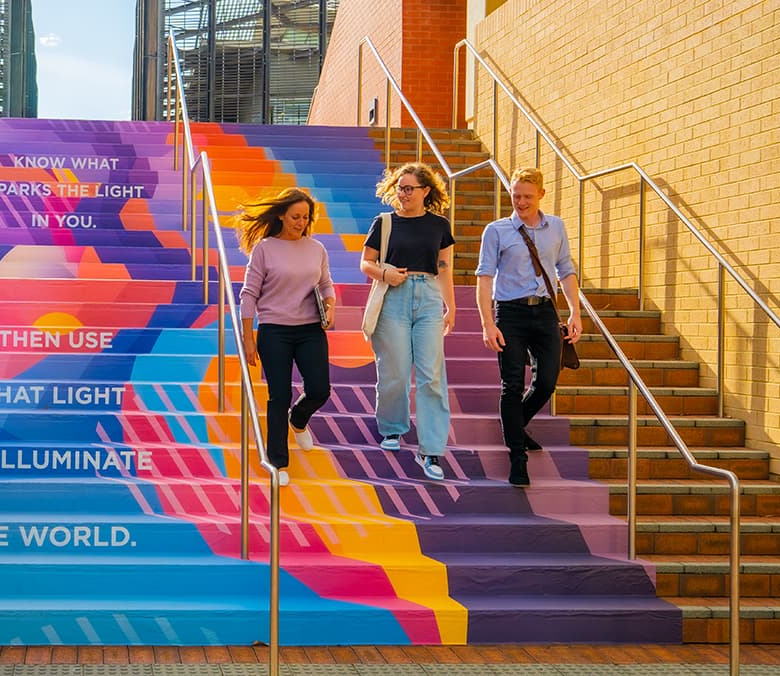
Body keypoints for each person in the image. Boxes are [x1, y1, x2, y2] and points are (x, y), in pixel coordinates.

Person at [474, 167, 582, 487]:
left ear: (542, 195)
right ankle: (517, 458)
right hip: (510, 314)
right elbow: (484, 277)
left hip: (546, 312)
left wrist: (575, 311)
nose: (520, 202)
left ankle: (513, 425)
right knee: (511, 385)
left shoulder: (556, 227)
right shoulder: (497, 230)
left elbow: (566, 269)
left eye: (527, 196)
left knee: (547, 382)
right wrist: (487, 323)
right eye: (516, 195)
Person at [359, 163, 456, 481]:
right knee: (395, 371)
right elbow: (366, 262)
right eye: (400, 187)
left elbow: (444, 269)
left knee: (431, 377)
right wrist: (385, 273)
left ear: (425, 191)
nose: (402, 193)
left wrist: (450, 307)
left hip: (428, 297)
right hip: (393, 297)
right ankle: (392, 429)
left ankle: (431, 451)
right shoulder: (384, 222)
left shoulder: (439, 225)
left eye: (409, 188)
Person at [237, 187, 335, 486]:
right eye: (295, 216)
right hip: (275, 330)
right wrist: (248, 337)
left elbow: (327, 285)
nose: (300, 222)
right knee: (279, 396)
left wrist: (330, 309)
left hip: (309, 329)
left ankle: (299, 420)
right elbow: (249, 293)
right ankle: (277, 463)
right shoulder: (265, 249)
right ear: (281, 215)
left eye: (305, 217)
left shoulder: (317, 248)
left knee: (320, 389)